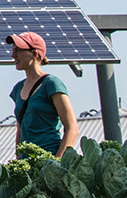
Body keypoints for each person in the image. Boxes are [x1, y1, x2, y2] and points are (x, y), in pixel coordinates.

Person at [7, 31, 78, 159]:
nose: (13, 55)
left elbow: (72, 128)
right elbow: (20, 129)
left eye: (18, 50)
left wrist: (57, 163)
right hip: (27, 164)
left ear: (34, 54)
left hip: (48, 159)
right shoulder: (18, 88)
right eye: (13, 50)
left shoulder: (51, 84)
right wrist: (18, 160)